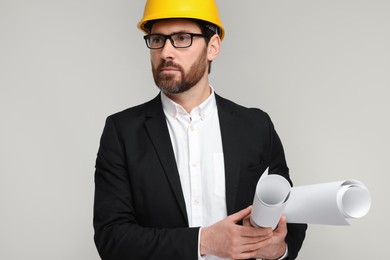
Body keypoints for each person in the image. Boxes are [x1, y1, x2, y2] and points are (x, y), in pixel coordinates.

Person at [93, 0, 307, 259]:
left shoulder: (256, 126)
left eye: (182, 38)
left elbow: (290, 217)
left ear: (213, 46)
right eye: (158, 39)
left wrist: (279, 250)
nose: (166, 52)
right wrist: (203, 241)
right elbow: (112, 239)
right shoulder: (122, 131)